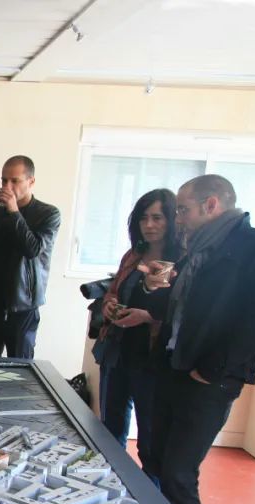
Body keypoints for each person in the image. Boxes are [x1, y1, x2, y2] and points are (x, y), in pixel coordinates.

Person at [140, 175, 255, 504]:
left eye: (182, 210)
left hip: (208, 380)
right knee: (155, 461)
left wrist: (212, 369)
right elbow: (176, 310)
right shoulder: (195, 248)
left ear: (211, 205)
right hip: (173, 368)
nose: (177, 218)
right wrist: (152, 287)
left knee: (179, 475)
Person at [92, 189, 180, 483]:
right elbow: (114, 290)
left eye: (157, 217)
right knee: (110, 430)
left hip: (153, 359)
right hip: (117, 350)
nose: (149, 225)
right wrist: (109, 304)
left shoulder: (181, 261)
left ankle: (150, 499)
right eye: (143, 218)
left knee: (149, 442)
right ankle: (112, 489)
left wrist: (148, 316)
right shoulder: (133, 256)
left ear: (171, 220)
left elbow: (182, 311)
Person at [0, 155, 61, 359]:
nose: (7, 186)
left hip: (22, 306)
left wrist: (14, 211)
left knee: (20, 368)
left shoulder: (48, 214)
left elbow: (32, 249)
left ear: (31, 181)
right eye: (4, 180)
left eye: (15, 181)